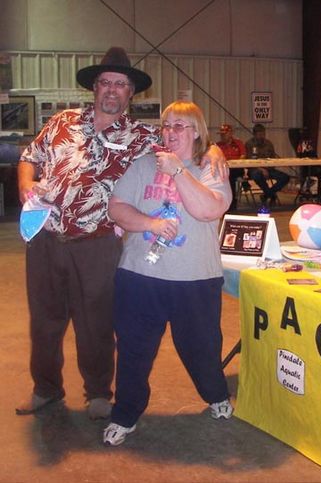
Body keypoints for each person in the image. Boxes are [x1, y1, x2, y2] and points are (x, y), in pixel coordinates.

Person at [15, 47, 227, 420]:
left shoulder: (143, 136)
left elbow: (188, 143)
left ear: (131, 93)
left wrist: (216, 153)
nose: (112, 89)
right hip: (46, 238)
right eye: (105, 82)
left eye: (121, 84)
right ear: (94, 88)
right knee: (44, 321)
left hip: (97, 243)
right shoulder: (62, 121)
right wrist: (25, 185)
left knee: (95, 321)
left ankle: (98, 393)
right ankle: (45, 389)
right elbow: (28, 157)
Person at [103, 101, 233, 446]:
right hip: (138, 277)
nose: (170, 132)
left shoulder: (211, 168)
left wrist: (178, 171)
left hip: (195, 279)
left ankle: (216, 395)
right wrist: (151, 223)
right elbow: (116, 207)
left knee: (201, 347)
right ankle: (125, 414)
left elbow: (208, 210)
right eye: (166, 126)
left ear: (197, 132)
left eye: (180, 126)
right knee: (133, 350)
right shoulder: (144, 165)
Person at [245, 123, 289, 205]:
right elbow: (249, 161)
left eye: (263, 134)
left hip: (269, 169)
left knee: (285, 177)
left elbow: (273, 158)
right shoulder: (249, 144)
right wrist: (262, 169)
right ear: (254, 135)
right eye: (260, 134)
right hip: (255, 169)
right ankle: (271, 195)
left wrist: (269, 167)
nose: (262, 136)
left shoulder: (269, 143)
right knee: (257, 175)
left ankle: (267, 194)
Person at [216, 123, 246, 211]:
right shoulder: (217, 145)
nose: (222, 136)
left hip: (237, 169)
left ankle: (231, 204)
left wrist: (236, 162)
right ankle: (229, 203)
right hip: (223, 170)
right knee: (228, 176)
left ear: (230, 133)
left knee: (230, 176)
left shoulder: (238, 143)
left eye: (224, 134)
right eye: (221, 134)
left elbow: (243, 155)